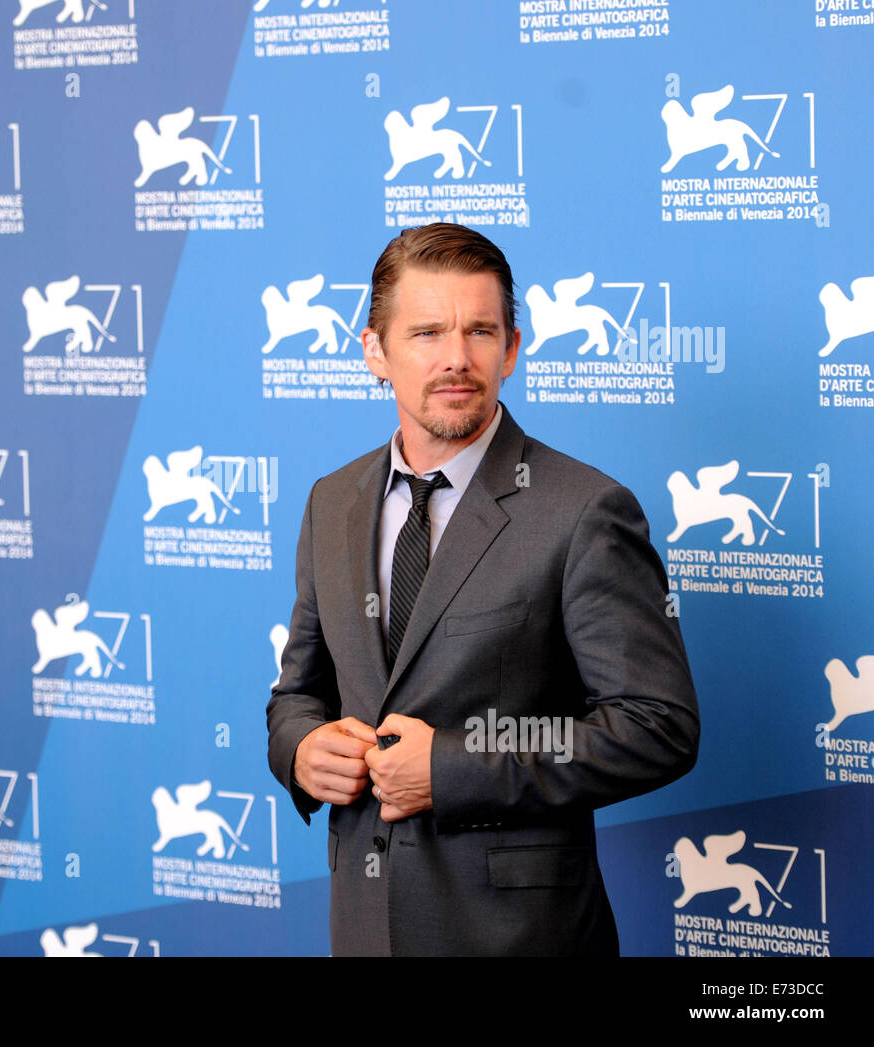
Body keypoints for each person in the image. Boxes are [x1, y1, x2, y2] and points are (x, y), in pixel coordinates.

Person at [266, 223, 699, 956]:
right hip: (365, 925)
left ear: (513, 348)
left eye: (480, 331)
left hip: (519, 937)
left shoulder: (584, 510)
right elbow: (298, 692)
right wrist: (302, 751)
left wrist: (452, 767)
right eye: (428, 332)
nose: (457, 359)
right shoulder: (330, 501)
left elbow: (658, 726)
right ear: (374, 351)